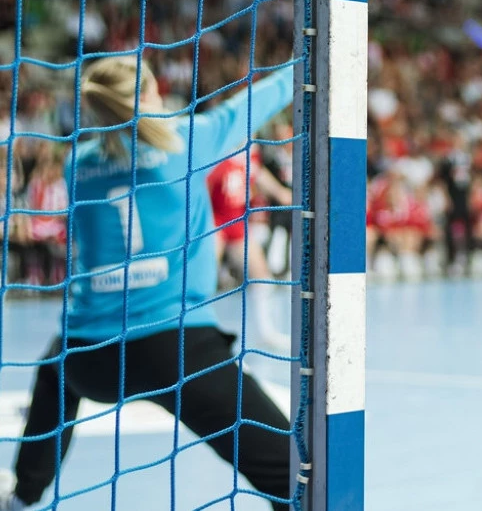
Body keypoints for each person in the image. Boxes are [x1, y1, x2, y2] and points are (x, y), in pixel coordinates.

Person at [0, 57, 295, 510]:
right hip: (174, 349)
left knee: (55, 372)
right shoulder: (188, 140)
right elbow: (258, 100)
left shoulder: (77, 163)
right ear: (150, 94)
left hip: (88, 357)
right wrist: (304, 63)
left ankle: (23, 495)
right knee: (290, 473)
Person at [208, 144, 292, 350]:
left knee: (261, 276)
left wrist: (281, 192)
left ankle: (265, 332)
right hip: (214, 220)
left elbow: (258, 173)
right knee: (206, 279)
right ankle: (202, 332)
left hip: (238, 220)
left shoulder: (250, 151)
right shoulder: (219, 147)